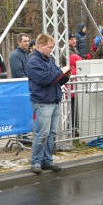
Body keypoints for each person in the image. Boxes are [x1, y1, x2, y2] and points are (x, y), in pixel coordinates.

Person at [26, 33, 71, 174]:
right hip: (43, 102)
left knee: (51, 133)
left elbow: (56, 78)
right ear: (41, 46)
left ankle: (47, 161)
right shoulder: (33, 62)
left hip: (53, 100)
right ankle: (36, 162)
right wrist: (60, 73)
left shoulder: (48, 59)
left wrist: (65, 76)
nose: (51, 50)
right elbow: (45, 79)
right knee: (42, 134)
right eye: (50, 47)